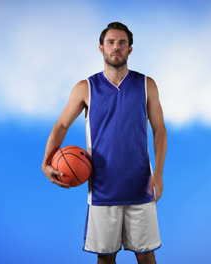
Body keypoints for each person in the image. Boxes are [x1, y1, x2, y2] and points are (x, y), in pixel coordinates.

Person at [42, 22, 167, 264]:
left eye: (122, 42)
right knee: (105, 258)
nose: (116, 47)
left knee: (146, 256)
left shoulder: (146, 84)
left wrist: (159, 174)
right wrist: (46, 161)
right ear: (101, 48)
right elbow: (61, 126)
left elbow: (159, 129)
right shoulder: (85, 88)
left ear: (130, 49)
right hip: (102, 188)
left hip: (140, 185)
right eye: (110, 42)